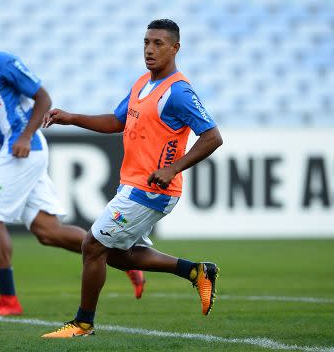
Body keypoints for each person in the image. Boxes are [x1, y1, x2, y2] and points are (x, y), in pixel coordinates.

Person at [0, 9, 146, 316]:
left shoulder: (1, 63)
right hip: (11, 154)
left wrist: (24, 136)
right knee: (48, 232)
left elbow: (43, 98)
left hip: (24, 149)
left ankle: (8, 300)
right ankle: (120, 256)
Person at [41, 19, 223, 338]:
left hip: (151, 189)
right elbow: (116, 121)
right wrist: (71, 118)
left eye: (158, 44)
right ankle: (196, 271)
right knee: (116, 255)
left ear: (175, 48)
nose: (149, 50)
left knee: (93, 244)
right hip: (133, 183)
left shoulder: (179, 92)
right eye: (146, 42)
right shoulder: (142, 83)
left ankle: (83, 323)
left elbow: (212, 137)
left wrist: (172, 168)